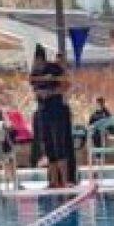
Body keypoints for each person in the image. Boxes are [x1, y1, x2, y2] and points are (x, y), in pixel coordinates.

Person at [30, 45, 75, 189]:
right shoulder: (34, 73)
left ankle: (65, 180)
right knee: (48, 147)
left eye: (36, 60)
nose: (35, 63)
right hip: (43, 112)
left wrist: (51, 93)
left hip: (57, 111)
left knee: (59, 145)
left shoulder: (54, 68)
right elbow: (34, 90)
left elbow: (67, 85)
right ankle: (53, 181)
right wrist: (39, 94)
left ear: (41, 58)